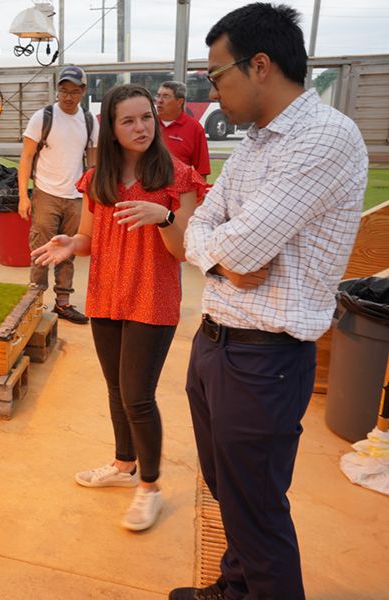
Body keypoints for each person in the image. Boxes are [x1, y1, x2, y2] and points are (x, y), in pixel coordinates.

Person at [171, 4, 368, 599]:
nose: (213, 92)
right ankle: (236, 588)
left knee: (257, 509)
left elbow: (245, 245)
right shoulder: (258, 141)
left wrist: (221, 249)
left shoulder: (325, 137)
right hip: (217, 343)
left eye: (216, 75)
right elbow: (202, 227)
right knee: (229, 491)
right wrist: (220, 256)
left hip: (265, 359)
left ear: (260, 65)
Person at [31, 84, 206, 531]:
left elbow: (185, 250)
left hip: (153, 298)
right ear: (110, 128)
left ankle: (150, 487)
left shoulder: (179, 176)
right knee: (116, 389)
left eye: (147, 117)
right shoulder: (98, 179)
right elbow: (90, 238)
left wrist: (164, 217)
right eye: (128, 120)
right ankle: (124, 465)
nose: (141, 127)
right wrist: (71, 244)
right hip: (107, 294)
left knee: (138, 396)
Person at [18, 65, 99, 324]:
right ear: (57, 90)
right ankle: (34, 302)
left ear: (83, 91)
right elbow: (26, 157)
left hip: (76, 197)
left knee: (68, 252)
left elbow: (93, 163)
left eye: (74, 91)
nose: (68, 97)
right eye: (63, 91)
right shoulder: (43, 118)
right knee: (41, 250)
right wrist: (23, 196)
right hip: (46, 194)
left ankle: (63, 303)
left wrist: (92, 198)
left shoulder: (89, 121)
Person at [155, 81, 211, 179]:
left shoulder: (195, 128)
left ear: (180, 102)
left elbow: (202, 170)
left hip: (180, 188)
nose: (159, 101)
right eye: (158, 96)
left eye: (166, 96)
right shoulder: (149, 124)